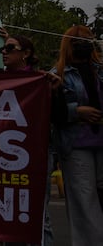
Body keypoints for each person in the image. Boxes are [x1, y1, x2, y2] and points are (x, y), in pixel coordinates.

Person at [0, 31, 59, 246]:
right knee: (8, 212)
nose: (4, 52)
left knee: (38, 214)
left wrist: (54, 90)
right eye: (2, 48)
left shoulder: (42, 80)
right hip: (2, 154)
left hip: (36, 154)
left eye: (10, 48)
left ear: (27, 53)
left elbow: (59, 116)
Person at [51, 25, 103, 246]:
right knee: (84, 202)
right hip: (77, 146)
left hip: (102, 143)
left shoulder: (100, 70)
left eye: (88, 39)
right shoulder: (58, 75)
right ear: (68, 45)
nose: (83, 44)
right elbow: (51, 112)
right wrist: (76, 111)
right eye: (78, 40)